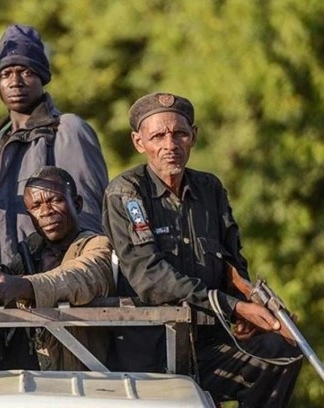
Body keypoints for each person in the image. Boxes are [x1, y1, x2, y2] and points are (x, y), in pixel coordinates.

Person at [102, 92, 301, 406]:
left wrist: (250, 307)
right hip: (152, 354)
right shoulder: (127, 192)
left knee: (284, 350)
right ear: (139, 142)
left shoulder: (210, 188)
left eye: (179, 134)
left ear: (193, 136)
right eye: (158, 136)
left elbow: (232, 262)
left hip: (209, 346)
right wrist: (231, 307)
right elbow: (150, 277)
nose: (170, 145)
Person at [0, 23, 108, 267]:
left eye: (26, 72)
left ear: (41, 77)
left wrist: (76, 272)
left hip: (51, 276)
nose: (15, 82)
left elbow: (88, 214)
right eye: (5, 74)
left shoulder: (65, 130)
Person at [0, 166, 114, 371]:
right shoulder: (28, 253)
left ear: (76, 204)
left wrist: (21, 286)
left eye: (55, 200)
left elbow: (77, 277)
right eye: (36, 206)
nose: (46, 212)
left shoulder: (97, 244)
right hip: (27, 377)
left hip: (84, 377)